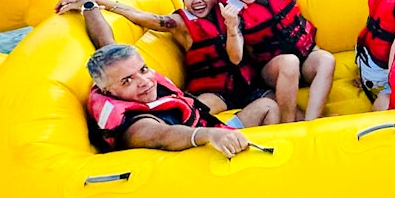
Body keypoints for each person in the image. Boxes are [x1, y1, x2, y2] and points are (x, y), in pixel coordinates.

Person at [56, 0, 260, 118]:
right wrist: (96, 0)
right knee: (194, 113)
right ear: (183, 0)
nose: (197, 1)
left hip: (250, 83)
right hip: (216, 90)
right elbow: (143, 17)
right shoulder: (179, 24)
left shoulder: (232, 10)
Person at [86, 43, 277, 157]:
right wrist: (210, 135)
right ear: (107, 91)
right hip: (203, 153)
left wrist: (90, 6)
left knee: (267, 106)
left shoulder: (118, 74)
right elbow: (163, 136)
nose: (144, 82)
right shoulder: (136, 127)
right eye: (127, 81)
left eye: (143, 70)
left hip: (212, 127)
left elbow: (105, 40)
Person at [222, 0, 346, 123]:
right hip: (272, 71)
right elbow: (235, 58)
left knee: (326, 59)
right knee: (289, 62)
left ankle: (312, 122)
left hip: (304, 60)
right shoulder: (233, 11)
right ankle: (288, 125)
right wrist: (231, 25)